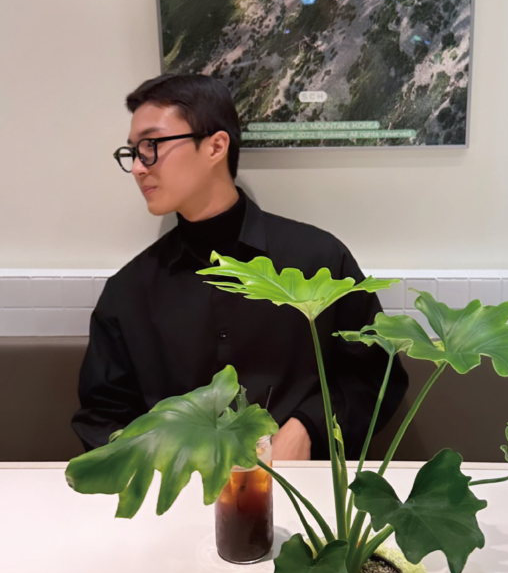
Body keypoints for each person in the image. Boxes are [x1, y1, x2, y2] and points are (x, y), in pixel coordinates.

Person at [72, 74, 408, 460]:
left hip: (301, 488)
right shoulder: (129, 290)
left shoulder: (317, 260)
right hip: (181, 491)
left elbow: (377, 376)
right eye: (133, 151)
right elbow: (101, 417)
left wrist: (309, 426)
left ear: (216, 146)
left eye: (151, 146)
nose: (137, 167)